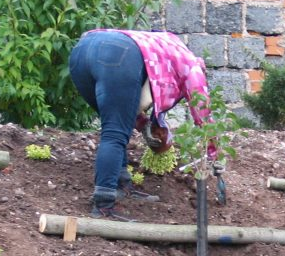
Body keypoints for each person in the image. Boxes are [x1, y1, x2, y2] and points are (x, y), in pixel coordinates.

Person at [68, 29, 214, 220]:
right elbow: (202, 108)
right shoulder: (191, 64)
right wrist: (213, 151)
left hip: (81, 52)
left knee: (115, 123)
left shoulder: (166, 48)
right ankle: (103, 205)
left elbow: (127, 106)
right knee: (115, 133)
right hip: (119, 54)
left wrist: (145, 124)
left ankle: (121, 184)